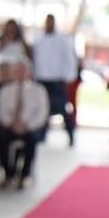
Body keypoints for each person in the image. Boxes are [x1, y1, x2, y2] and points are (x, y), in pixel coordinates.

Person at [0, 59, 49, 189]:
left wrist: (27, 126)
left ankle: (24, 176)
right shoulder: (5, 90)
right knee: (1, 141)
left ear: (29, 73)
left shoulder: (38, 90)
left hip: (30, 127)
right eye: (16, 71)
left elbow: (42, 113)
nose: (19, 74)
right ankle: (9, 174)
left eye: (22, 71)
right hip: (10, 126)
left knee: (31, 141)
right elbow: (1, 112)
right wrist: (11, 124)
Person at [32, 14, 77, 146]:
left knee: (62, 109)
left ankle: (70, 133)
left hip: (57, 80)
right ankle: (41, 135)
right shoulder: (39, 39)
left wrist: (69, 77)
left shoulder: (62, 40)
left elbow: (69, 59)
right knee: (43, 109)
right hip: (41, 79)